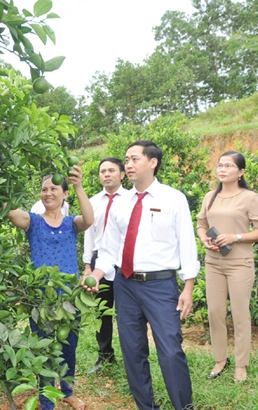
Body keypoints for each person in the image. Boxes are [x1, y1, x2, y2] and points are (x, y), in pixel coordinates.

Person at [84, 140, 199, 410]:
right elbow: (110, 248)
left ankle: (184, 405)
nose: (129, 164)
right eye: (127, 159)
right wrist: (97, 273)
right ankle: (146, 406)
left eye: (134, 159)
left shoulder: (173, 198)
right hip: (125, 286)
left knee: (170, 350)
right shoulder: (121, 204)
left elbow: (187, 243)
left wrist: (188, 286)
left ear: (153, 162)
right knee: (133, 351)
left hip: (160, 285)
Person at [6, 166, 93, 410]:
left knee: (68, 346)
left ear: (64, 194)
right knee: (43, 348)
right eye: (44, 189)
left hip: (69, 298)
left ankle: (67, 391)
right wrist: (3, 185)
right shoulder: (32, 221)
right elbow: (11, 214)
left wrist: (78, 186)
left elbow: (89, 219)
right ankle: (46, 401)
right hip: (41, 299)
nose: (48, 193)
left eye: (53, 188)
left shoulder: (70, 223)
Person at [196, 151, 258, 383]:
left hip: (239, 263)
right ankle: (220, 359)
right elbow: (201, 224)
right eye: (220, 165)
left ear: (241, 172)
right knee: (215, 312)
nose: (222, 169)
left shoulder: (249, 197)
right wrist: (203, 238)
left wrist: (235, 237)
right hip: (213, 262)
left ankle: (241, 363)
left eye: (228, 166)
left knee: (240, 313)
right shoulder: (210, 196)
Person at [82, 157, 128, 374]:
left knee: (127, 313)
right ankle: (105, 355)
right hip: (99, 260)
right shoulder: (92, 202)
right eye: (102, 171)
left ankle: (131, 358)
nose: (106, 174)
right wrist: (87, 267)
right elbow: (88, 236)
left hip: (125, 261)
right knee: (103, 311)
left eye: (111, 170)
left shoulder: (131, 200)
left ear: (122, 174)